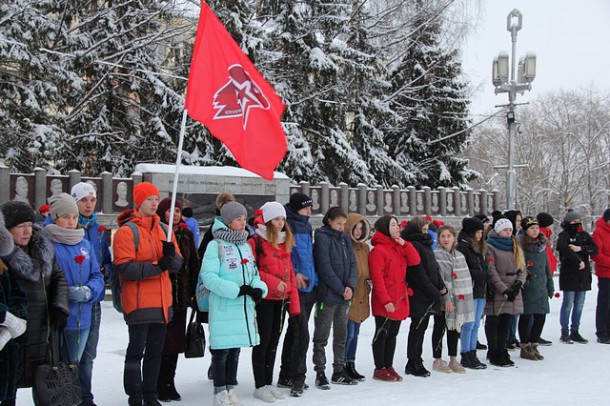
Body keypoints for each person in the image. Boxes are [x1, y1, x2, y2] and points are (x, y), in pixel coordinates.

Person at [113, 182, 183, 406]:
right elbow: (125, 267)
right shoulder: (127, 231)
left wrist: (172, 259)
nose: (154, 203)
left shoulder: (164, 228)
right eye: (149, 199)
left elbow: (177, 264)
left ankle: (151, 396)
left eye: (156, 199)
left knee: (155, 353)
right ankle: (135, 397)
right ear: (139, 202)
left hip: (162, 302)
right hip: (139, 302)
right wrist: (159, 265)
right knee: (136, 352)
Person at [0, 201, 69, 404]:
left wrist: (60, 305)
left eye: (29, 225)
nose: (27, 231)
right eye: (20, 226)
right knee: (8, 387)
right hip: (14, 332)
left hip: (42, 330)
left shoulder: (42, 250)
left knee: (44, 386)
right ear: (7, 229)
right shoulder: (4, 258)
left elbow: (58, 277)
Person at [200, 201, 268, 406]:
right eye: (238, 219)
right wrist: (235, 290)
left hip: (243, 308)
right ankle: (220, 392)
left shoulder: (245, 246)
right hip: (224, 306)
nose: (242, 222)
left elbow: (253, 273)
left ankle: (231, 389)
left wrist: (258, 288)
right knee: (222, 351)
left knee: (235, 350)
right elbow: (209, 276)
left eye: (244, 219)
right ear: (228, 222)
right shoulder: (216, 245)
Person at [45, 193, 105, 367]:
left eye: (74, 217)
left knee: (74, 368)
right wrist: (63, 292)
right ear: (55, 218)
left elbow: (97, 275)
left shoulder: (84, 244)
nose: (71, 221)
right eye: (65, 217)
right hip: (58, 319)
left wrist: (88, 291)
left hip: (83, 316)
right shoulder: (47, 244)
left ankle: (78, 395)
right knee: (55, 370)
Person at [248, 202, 300, 403]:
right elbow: (251, 270)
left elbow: (291, 274)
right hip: (264, 299)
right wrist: (273, 282)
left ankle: (268, 383)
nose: (281, 223)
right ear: (268, 220)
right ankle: (259, 384)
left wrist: (293, 302)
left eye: (283, 219)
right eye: (277, 219)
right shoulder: (256, 241)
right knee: (263, 342)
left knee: (273, 342)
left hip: (281, 299)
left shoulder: (284, 240)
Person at [71, 182, 113, 406]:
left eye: (92, 200)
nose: (88, 205)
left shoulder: (97, 229)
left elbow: (106, 259)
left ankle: (86, 397)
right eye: (83, 200)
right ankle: (71, 395)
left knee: (89, 354)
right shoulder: (67, 226)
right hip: (73, 301)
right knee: (71, 355)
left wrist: (107, 272)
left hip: (94, 299)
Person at [155, 198, 200, 402]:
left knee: (174, 343)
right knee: (160, 342)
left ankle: (168, 382)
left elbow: (193, 263)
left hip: (180, 296)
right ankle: (156, 382)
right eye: (170, 211)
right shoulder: (157, 232)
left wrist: (194, 290)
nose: (173, 215)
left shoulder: (186, 234)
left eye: (177, 211)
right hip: (159, 296)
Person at [312, 207, 358, 389]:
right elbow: (324, 267)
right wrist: (340, 288)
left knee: (341, 335)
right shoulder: (322, 237)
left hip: (344, 296)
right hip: (328, 295)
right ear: (329, 221)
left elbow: (353, 264)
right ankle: (320, 371)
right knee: (321, 335)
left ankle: (338, 370)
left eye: (344, 224)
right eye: (339, 223)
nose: (341, 227)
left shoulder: (345, 239)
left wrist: (350, 286)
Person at [277, 193, 317, 397]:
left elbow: (308, 255)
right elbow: (286, 255)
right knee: (301, 332)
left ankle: (286, 374)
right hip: (294, 286)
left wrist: (314, 279)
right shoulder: (288, 224)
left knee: (295, 332)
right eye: (305, 207)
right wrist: (295, 274)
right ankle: (298, 377)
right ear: (295, 208)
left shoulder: (307, 225)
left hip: (309, 286)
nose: (309, 211)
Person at [369, 215, 417, 382]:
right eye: (393, 225)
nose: (397, 228)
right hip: (386, 298)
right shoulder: (378, 250)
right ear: (384, 228)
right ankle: (379, 367)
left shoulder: (398, 246)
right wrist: (385, 300)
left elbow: (415, 260)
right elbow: (378, 279)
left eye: (397, 225)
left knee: (393, 333)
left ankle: (388, 365)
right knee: (382, 333)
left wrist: (404, 243)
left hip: (399, 296)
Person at [401, 216, 447, 377]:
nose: (427, 232)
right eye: (424, 229)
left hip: (429, 292)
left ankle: (417, 359)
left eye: (428, 229)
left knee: (422, 327)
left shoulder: (425, 243)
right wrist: (433, 291)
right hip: (420, 293)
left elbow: (433, 267)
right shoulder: (414, 244)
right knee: (417, 328)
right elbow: (418, 273)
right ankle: (413, 360)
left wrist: (441, 285)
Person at [484, 218, 526, 367]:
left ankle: (502, 349)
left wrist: (518, 284)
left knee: (506, 321)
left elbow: (522, 268)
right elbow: (491, 270)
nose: (508, 232)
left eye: (510, 230)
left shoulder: (515, 245)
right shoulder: (490, 246)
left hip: (513, 286)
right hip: (499, 289)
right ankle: (494, 350)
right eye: (505, 230)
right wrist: (504, 289)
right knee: (495, 320)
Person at [434, 225, 474, 374]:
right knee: (439, 328)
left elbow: (465, 278)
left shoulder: (459, 255)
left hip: (459, 298)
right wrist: (446, 299)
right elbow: (438, 279)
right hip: (443, 298)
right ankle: (437, 359)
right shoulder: (436, 255)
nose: (446, 239)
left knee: (454, 329)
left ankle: (453, 359)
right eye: (443, 236)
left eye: (448, 236)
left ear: (453, 238)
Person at [556, 210, 598, 344]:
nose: (577, 223)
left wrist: (580, 249)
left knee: (579, 305)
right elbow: (564, 249)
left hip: (583, 275)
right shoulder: (564, 236)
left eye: (579, 221)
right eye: (574, 221)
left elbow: (594, 248)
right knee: (568, 303)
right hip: (569, 274)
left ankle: (575, 330)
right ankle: (564, 331)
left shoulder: (584, 235)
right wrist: (577, 260)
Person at [516, 217, 554, 361]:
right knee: (526, 316)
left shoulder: (541, 245)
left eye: (537, 228)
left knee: (541, 316)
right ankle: (525, 345)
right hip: (528, 286)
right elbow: (519, 266)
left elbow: (546, 268)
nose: (535, 231)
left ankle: (534, 343)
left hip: (542, 286)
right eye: (531, 228)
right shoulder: (520, 245)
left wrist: (550, 286)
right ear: (525, 230)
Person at [0, 210, 28, 404]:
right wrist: (4, 316)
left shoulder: (4, 263)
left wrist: (9, 329)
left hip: (7, 354)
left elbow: (19, 297)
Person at [456, 217, 488, 369]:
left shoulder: (478, 246)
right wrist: (483, 275)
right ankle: (465, 353)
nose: (480, 235)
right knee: (468, 324)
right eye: (478, 232)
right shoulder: (463, 247)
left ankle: (472, 351)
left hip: (480, 289)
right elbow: (465, 270)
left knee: (476, 323)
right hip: (470, 289)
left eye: (482, 232)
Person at [343, 213, 372, 382]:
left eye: (362, 228)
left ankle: (350, 363)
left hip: (362, 292)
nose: (359, 232)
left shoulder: (365, 248)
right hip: (350, 293)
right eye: (356, 228)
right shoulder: (346, 246)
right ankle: (342, 363)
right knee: (349, 332)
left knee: (356, 331)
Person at [592, 209, 610, 344]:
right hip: (605, 273)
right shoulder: (599, 232)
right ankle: (601, 331)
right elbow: (597, 255)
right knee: (604, 302)